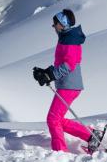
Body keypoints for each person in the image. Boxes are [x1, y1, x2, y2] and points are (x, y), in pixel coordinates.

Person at [32, 9, 101, 153]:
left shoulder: (70, 40)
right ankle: (92, 135)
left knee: (53, 119)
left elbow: (69, 64)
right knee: (58, 119)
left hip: (69, 85)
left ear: (62, 24)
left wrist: (51, 75)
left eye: (55, 23)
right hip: (68, 84)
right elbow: (62, 63)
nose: (53, 26)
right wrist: (46, 72)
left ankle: (60, 153)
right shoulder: (67, 37)